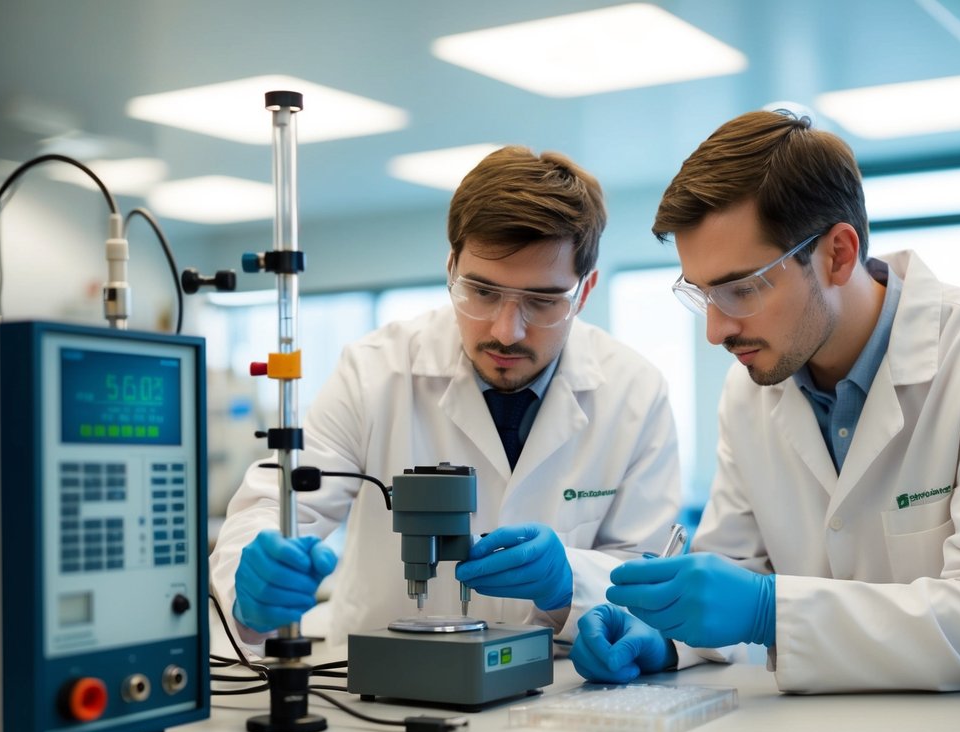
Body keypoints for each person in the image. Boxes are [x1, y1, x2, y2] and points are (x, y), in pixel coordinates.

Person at [571, 110, 960, 692]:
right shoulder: (752, 392)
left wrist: (768, 610)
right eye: (702, 294)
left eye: (742, 289)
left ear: (837, 253)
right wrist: (666, 635)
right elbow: (733, 577)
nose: (716, 330)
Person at [211, 146, 681, 651]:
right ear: (452, 268)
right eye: (482, 291)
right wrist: (249, 583)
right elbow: (275, 508)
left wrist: (571, 582)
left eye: (543, 302)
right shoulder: (373, 371)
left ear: (583, 293)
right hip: (374, 693)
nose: (506, 330)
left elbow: (653, 587)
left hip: (560, 694)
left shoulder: (633, 392)